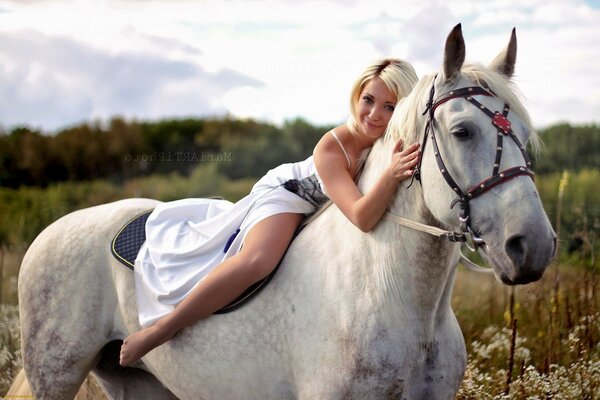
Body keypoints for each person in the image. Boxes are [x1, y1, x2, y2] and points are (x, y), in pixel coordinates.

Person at [119, 58, 421, 367]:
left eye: (389, 106)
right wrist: (391, 174)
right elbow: (362, 217)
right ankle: (160, 331)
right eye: (368, 100)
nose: (374, 114)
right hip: (289, 194)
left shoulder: (389, 142)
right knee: (258, 260)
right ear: (356, 96)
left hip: (319, 212)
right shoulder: (334, 146)